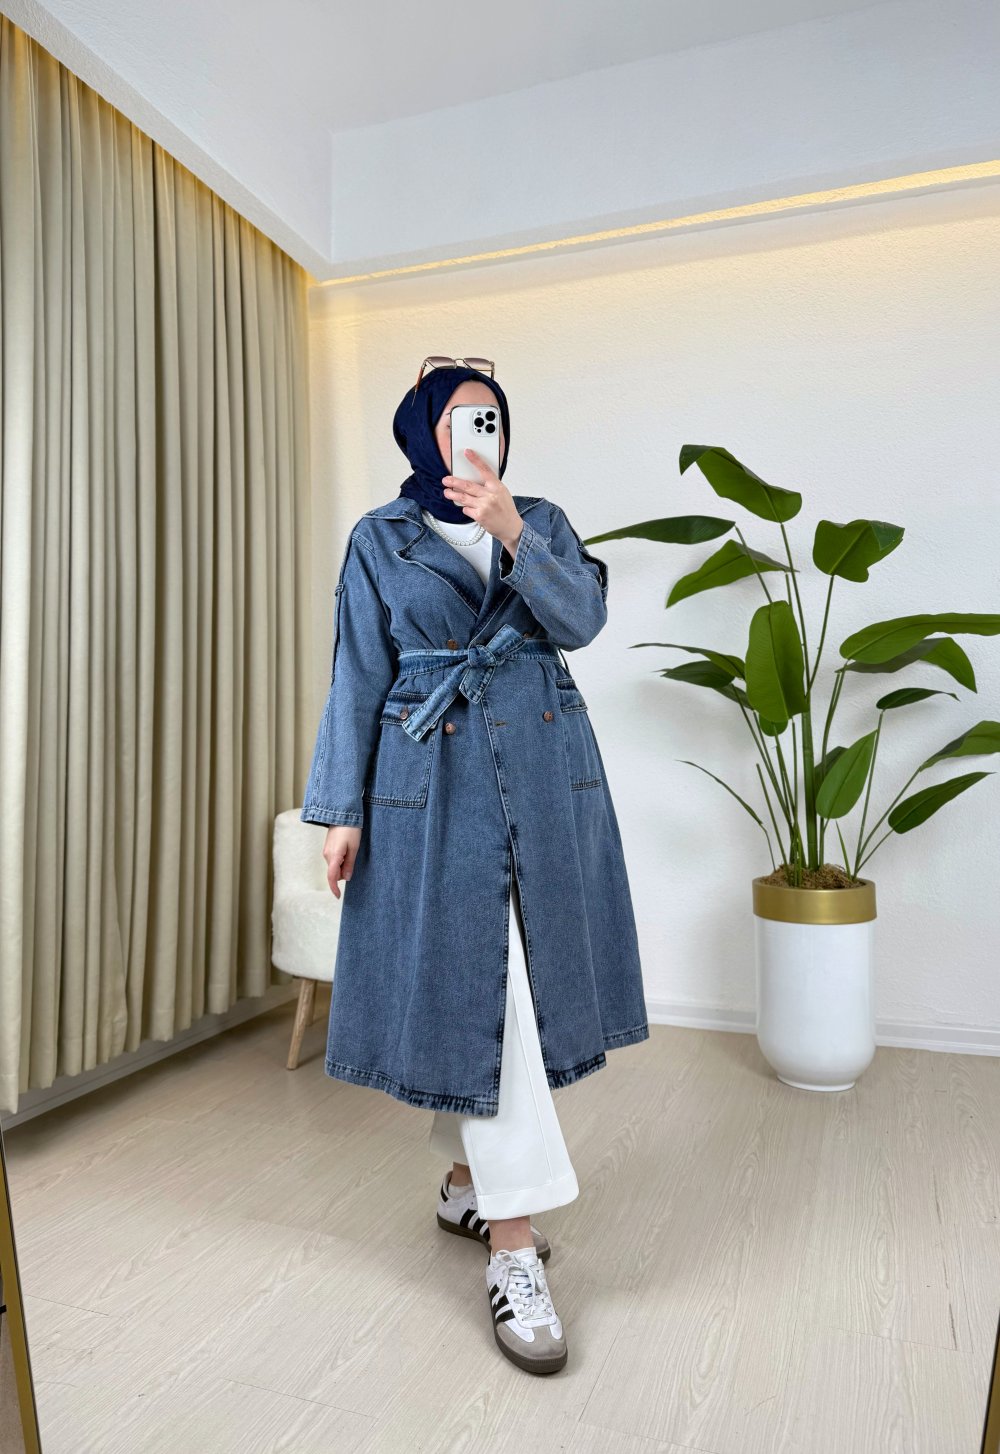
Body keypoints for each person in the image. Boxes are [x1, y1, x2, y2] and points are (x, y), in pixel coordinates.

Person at [301, 359, 648, 1375]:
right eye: (459, 419)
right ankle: (512, 1243)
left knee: (510, 989)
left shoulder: (543, 519)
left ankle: (465, 1183)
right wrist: (340, 809)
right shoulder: (379, 537)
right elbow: (357, 672)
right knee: (482, 982)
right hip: (430, 773)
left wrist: (512, 531)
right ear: (421, 430)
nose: (478, 434)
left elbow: (580, 623)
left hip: (542, 767)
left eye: (491, 418)